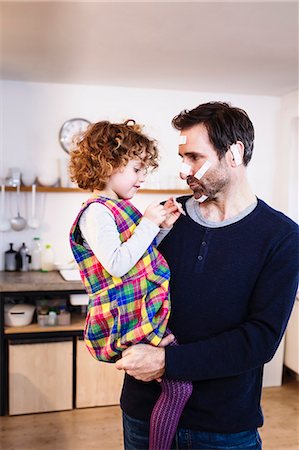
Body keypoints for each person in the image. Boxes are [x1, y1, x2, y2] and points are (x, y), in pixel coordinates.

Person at [116, 102, 299, 450]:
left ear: (234, 153)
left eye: (195, 158)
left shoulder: (281, 237)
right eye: (183, 158)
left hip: (222, 425)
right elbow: (127, 288)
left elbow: (260, 339)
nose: (185, 170)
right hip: (143, 410)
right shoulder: (165, 219)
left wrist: (167, 361)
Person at [69, 119, 193, 450]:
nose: (142, 177)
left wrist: (161, 227)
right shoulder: (95, 212)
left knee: (173, 388)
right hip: (126, 316)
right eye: (137, 168)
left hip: (137, 311)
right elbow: (118, 263)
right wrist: (148, 224)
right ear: (108, 164)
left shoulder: (118, 208)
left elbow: (139, 253)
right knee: (179, 388)